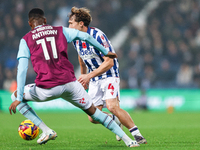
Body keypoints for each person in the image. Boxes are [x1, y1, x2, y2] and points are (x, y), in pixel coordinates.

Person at [8, 8, 139, 147]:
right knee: (95, 113)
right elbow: (87, 37)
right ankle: (129, 140)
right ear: (45, 21)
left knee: (14, 96)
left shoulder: (26, 40)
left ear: (30, 24)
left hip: (47, 88)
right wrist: (106, 51)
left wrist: (18, 98)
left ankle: (46, 130)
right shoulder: (60, 30)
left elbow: (22, 69)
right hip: (70, 84)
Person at [68, 7, 147, 144]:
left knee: (112, 106)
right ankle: (116, 120)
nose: (68, 26)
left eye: (71, 23)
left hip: (109, 74)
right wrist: (83, 77)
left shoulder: (98, 36)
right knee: (92, 117)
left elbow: (109, 62)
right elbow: (81, 58)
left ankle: (137, 135)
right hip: (93, 79)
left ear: (81, 23)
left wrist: (88, 76)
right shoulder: (75, 39)